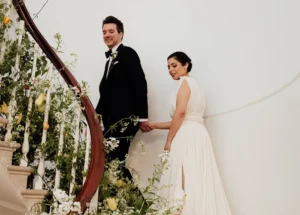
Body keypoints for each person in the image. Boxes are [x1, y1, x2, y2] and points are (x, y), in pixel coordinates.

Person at [147, 52, 232, 214]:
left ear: (186, 64)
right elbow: (184, 118)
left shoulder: (184, 83)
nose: (170, 70)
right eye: (168, 67)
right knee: (198, 177)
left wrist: (169, 140)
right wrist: (155, 125)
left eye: (174, 65)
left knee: (183, 176)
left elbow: (180, 114)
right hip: (198, 134)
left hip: (186, 135)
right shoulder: (195, 85)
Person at [95, 16, 151, 179]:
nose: (107, 35)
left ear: (121, 34)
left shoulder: (128, 53)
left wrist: (142, 118)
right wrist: (95, 118)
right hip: (110, 123)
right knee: (111, 164)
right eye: (104, 32)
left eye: (111, 31)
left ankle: (140, 204)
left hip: (124, 121)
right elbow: (105, 94)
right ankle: (119, 202)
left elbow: (140, 84)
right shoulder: (109, 62)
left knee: (115, 162)